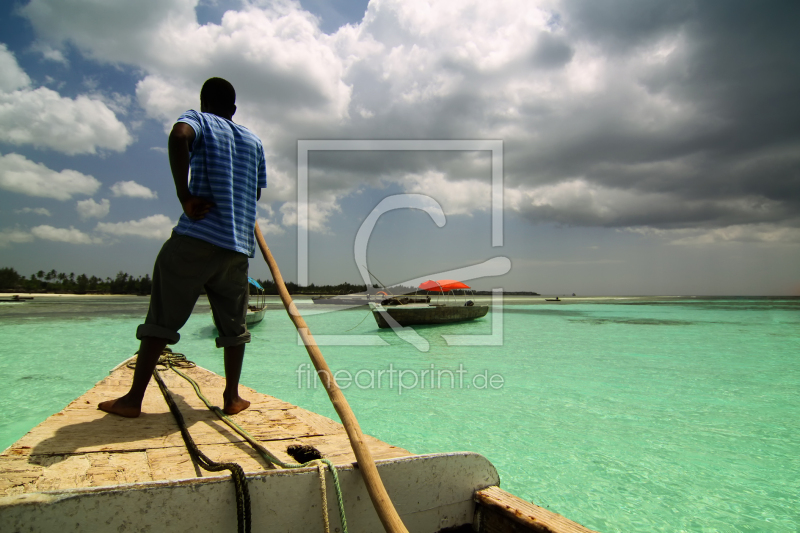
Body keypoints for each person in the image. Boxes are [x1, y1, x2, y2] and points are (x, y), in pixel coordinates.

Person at [99, 77, 267, 418]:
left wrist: (185, 195)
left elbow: (179, 136)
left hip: (197, 239)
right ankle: (232, 398)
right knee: (234, 329)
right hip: (236, 249)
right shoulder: (254, 141)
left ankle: (133, 401)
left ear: (204, 103)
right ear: (233, 110)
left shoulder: (200, 119)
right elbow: (257, 191)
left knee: (161, 319)